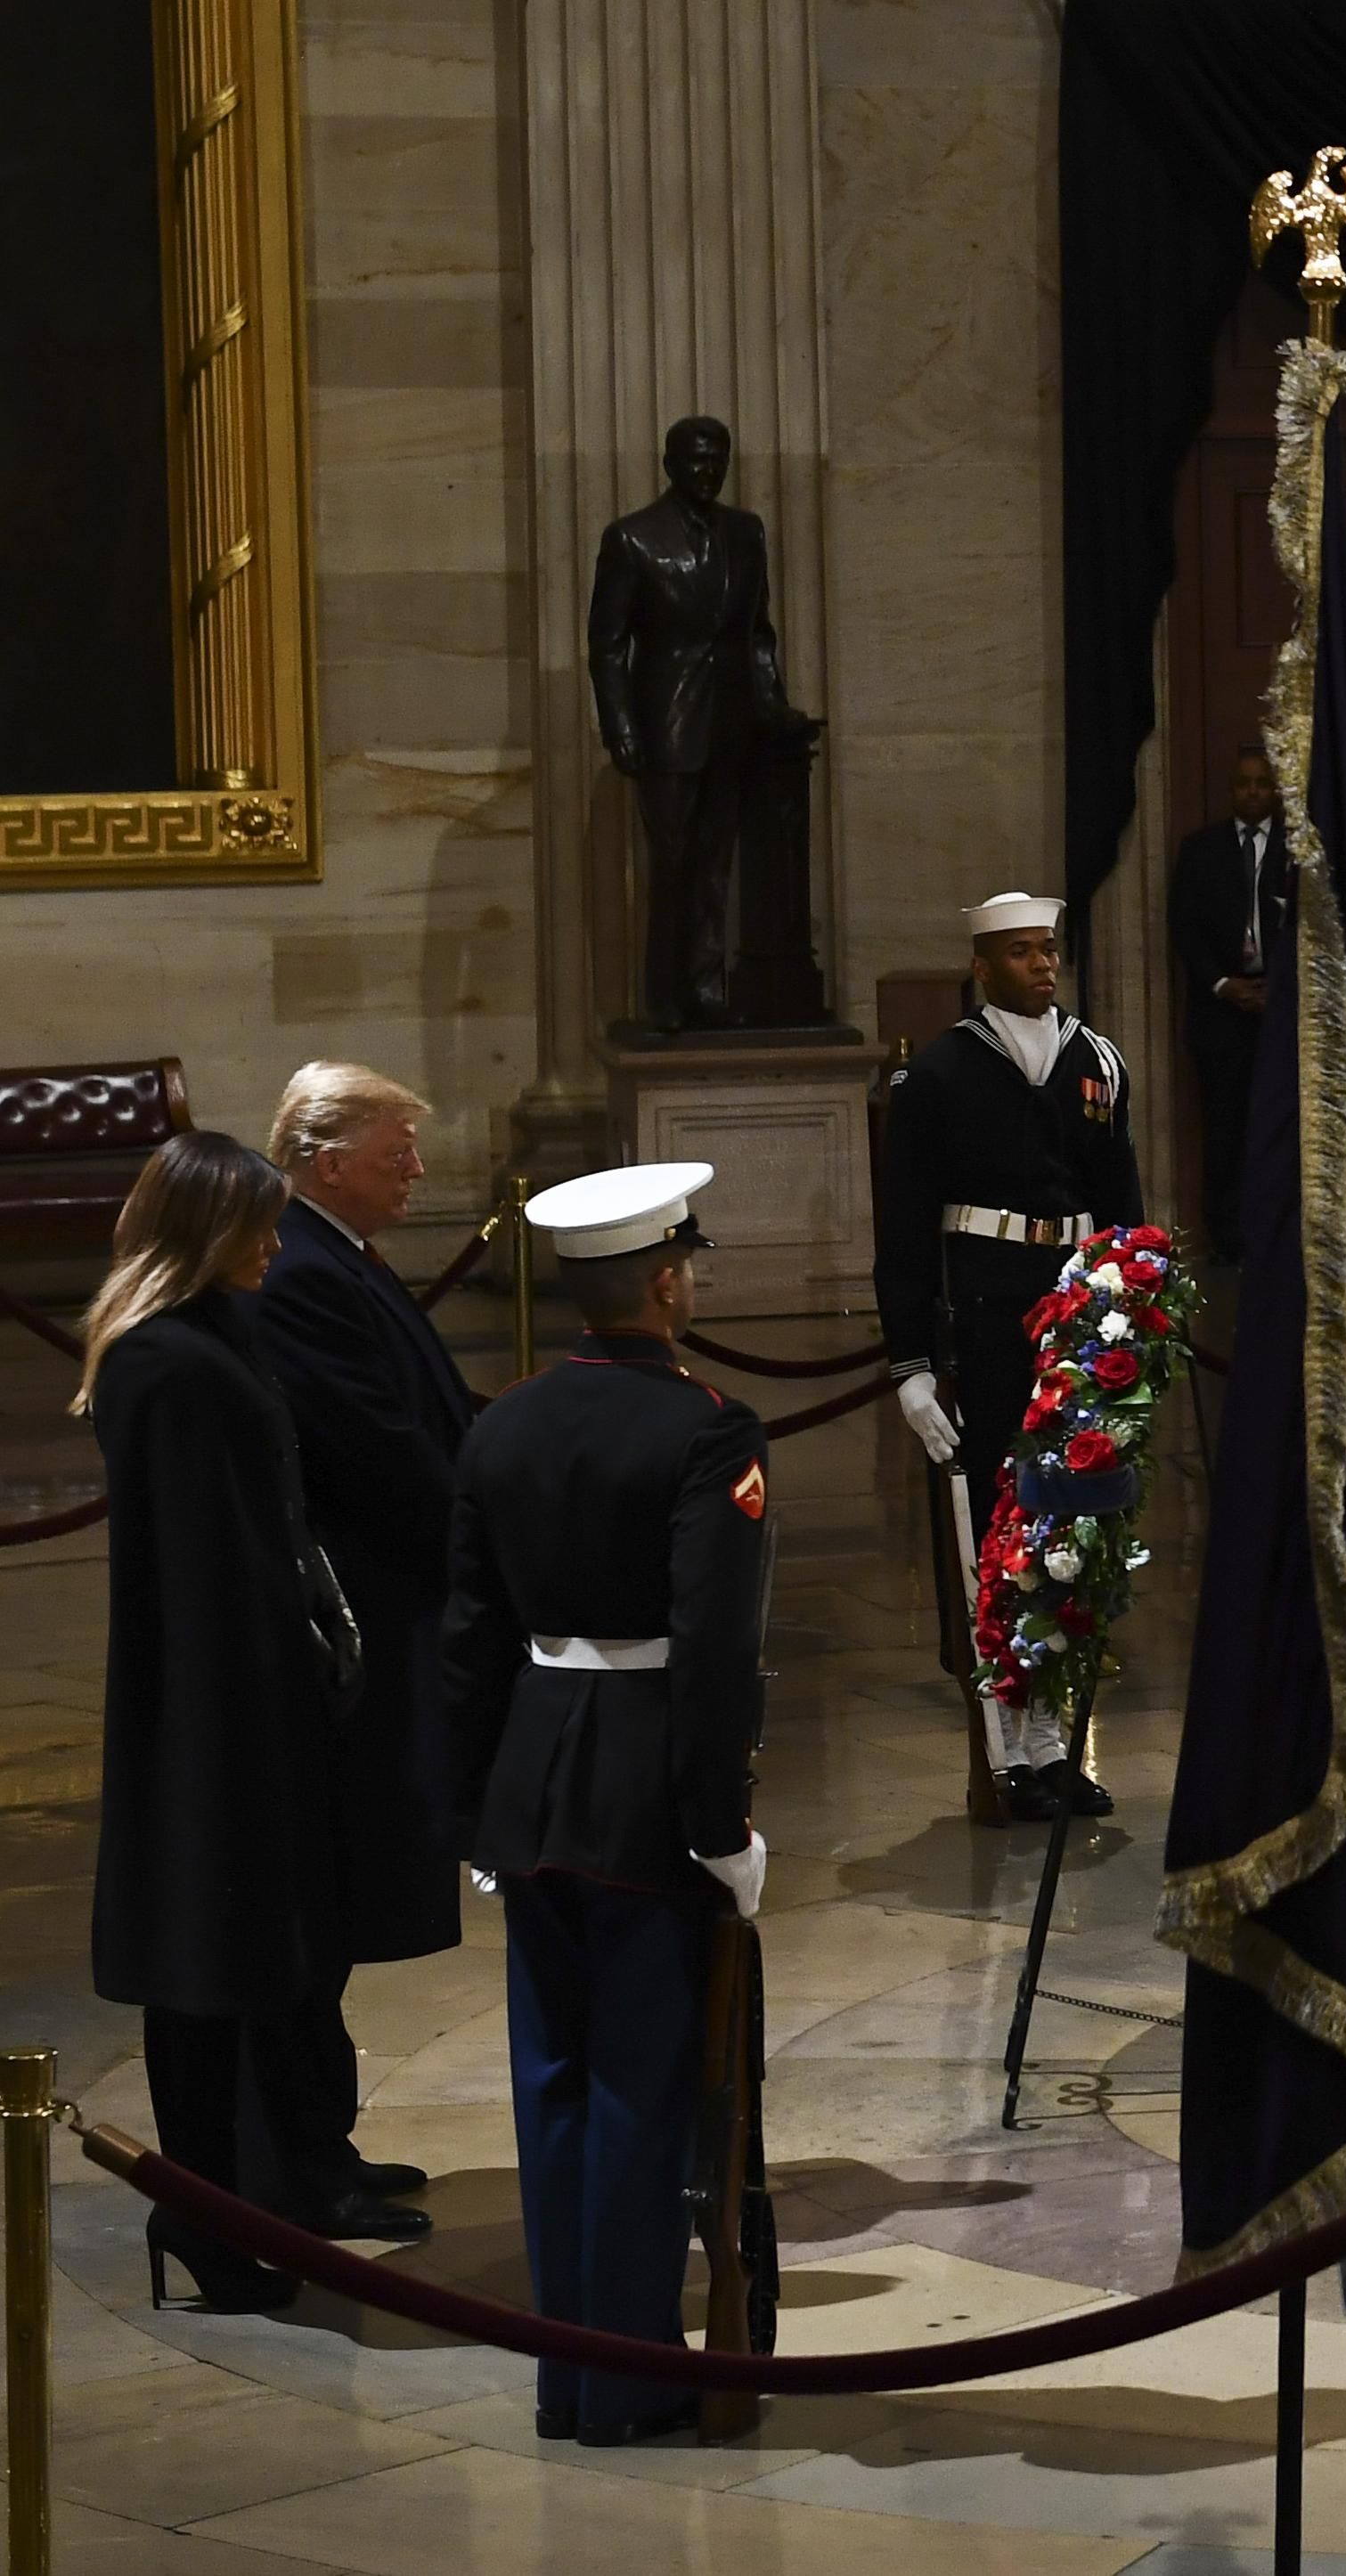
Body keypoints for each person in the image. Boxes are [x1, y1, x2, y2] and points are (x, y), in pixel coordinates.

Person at [439, 1163, 771, 2448]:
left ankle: (567, 2374)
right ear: (670, 1282)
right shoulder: (707, 1429)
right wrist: (719, 1829)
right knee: (642, 2090)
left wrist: (477, 1812)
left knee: (553, 2087)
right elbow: (711, 1649)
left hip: (533, 1789)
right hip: (642, 1801)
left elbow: (468, 1639)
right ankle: (631, 2383)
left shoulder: (503, 1421)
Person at [82, 1132, 354, 2312]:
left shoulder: (208, 1340)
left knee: (236, 1958)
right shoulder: (170, 1365)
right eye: (258, 1229)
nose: (276, 1249)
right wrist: (253, 1717)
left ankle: (235, 2200)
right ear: (203, 1235)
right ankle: (200, 2212)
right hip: (211, 1713)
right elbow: (207, 1576)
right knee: (203, 1963)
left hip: (245, 1701)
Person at [250, 1063, 477, 2242]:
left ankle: (321, 2140)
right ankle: (298, 2159)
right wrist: (485, 1535)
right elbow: (377, 1447)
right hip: (355, 1624)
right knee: (320, 1894)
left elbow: (427, 1408)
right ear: (328, 1157)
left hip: (390, 1609)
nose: (419, 1171)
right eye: (399, 1154)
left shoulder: (339, 1253)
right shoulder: (299, 1269)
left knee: (342, 1893)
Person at [873, 891, 1142, 1822]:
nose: (1043, 965)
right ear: (982, 967)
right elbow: (904, 1232)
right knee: (1000, 1530)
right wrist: (909, 1364)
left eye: (1049, 949)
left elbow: (1122, 1211)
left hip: (1079, 1325)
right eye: (1022, 953)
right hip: (988, 1327)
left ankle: (1058, 1746)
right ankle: (1006, 1752)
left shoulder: (1096, 1062)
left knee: (1075, 1530)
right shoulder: (939, 1076)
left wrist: (1135, 1323)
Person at [583, 416, 816, 1031]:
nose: (708, 470)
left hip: (732, 725)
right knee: (672, 866)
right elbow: (607, 645)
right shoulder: (633, 539)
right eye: (696, 459)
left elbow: (757, 632)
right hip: (667, 728)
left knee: (716, 867)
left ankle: (707, 991)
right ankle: (663, 999)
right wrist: (621, 728)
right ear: (669, 464)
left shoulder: (746, 533)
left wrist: (772, 703)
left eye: (719, 459)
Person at [1166, 746, 1291, 1264]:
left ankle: (1282, 1230)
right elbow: (1183, 925)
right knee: (1224, 1127)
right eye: (1244, 784)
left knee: (1283, 1125)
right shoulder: (1201, 849)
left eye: (1263, 783)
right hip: (1220, 1009)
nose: (1254, 792)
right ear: (1231, 790)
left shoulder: (1299, 849)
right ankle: (1226, 1237)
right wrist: (1222, 983)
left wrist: (1283, 987)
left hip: (1284, 1008)